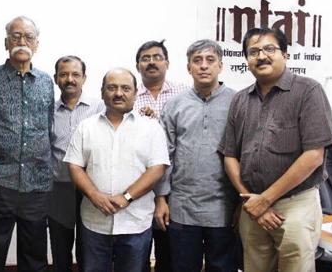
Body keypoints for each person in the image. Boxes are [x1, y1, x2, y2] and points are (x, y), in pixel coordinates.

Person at [219, 27, 332, 272]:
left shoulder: (308, 91)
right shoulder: (240, 100)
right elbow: (230, 154)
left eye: (269, 49)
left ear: (285, 54)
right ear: (246, 60)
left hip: (295, 206)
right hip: (251, 206)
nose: (261, 56)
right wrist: (251, 201)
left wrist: (266, 200)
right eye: (253, 52)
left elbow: (314, 155)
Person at [64, 68, 170, 272]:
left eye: (125, 88)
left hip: (136, 222)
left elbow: (157, 168)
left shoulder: (151, 128)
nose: (118, 93)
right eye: (112, 88)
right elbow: (74, 165)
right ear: (102, 92)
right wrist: (94, 195)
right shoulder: (86, 127)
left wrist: (126, 197)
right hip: (94, 221)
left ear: (135, 92)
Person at [0, 16, 54, 272]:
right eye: (16, 36)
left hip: (37, 182)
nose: (22, 41)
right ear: (6, 42)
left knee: (35, 253)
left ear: (37, 44)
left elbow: (49, 123)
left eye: (28, 37)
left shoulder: (46, 82)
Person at [157, 39, 238, 272]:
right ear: (188, 67)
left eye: (210, 60)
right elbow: (165, 155)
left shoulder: (237, 102)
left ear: (220, 66)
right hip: (182, 206)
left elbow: (244, 153)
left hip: (223, 207)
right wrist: (161, 198)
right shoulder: (174, 105)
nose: (204, 66)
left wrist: (241, 202)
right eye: (197, 61)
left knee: (223, 267)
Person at [134, 40, 188, 272]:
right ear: (138, 66)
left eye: (157, 57)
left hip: (177, 185)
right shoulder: (129, 95)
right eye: (146, 58)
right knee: (138, 251)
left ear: (167, 62)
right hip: (139, 184)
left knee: (170, 251)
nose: (152, 62)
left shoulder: (185, 94)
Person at [49, 55, 105, 272]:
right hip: (58, 189)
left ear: (84, 78)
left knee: (88, 247)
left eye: (75, 74)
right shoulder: (49, 111)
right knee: (60, 247)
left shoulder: (100, 108)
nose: (69, 79)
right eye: (63, 75)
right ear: (56, 79)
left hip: (90, 190)